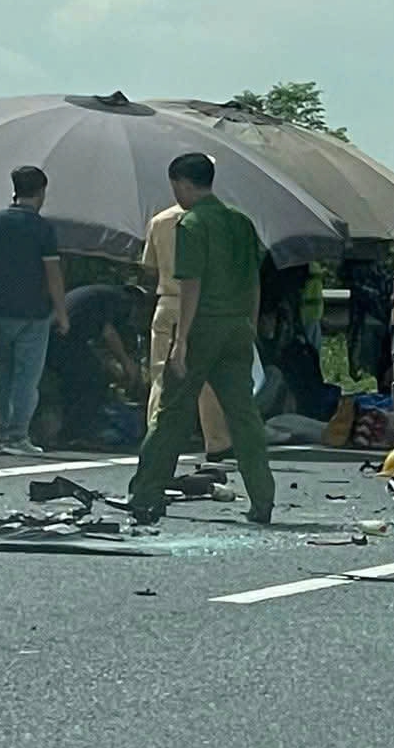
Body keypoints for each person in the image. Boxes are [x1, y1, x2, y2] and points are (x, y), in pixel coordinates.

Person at [127, 153, 274, 525]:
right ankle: (262, 499)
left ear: (181, 183)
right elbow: (254, 281)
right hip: (238, 327)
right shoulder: (241, 222)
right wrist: (250, 324)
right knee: (243, 415)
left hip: (203, 325)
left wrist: (182, 341)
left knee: (172, 413)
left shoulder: (191, 224)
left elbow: (190, 284)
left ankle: (146, 494)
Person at [0, 165, 69, 454]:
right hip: (33, 311)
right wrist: (62, 312)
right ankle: (17, 435)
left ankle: (3, 431)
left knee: (3, 373)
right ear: (42, 191)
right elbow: (53, 274)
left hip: (0, 307)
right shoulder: (42, 228)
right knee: (26, 377)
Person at [141, 203, 233, 460]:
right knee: (206, 372)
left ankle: (155, 435)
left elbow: (149, 266)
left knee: (161, 373)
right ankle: (217, 440)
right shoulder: (217, 222)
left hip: (168, 301)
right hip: (203, 304)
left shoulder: (159, 220)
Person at [43, 284, 144, 446]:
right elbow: (107, 332)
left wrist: (111, 367)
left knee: (79, 380)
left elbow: (91, 343)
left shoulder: (98, 295)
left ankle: (67, 433)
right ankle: (76, 434)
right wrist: (127, 364)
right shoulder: (119, 300)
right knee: (94, 381)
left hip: (52, 337)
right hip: (63, 338)